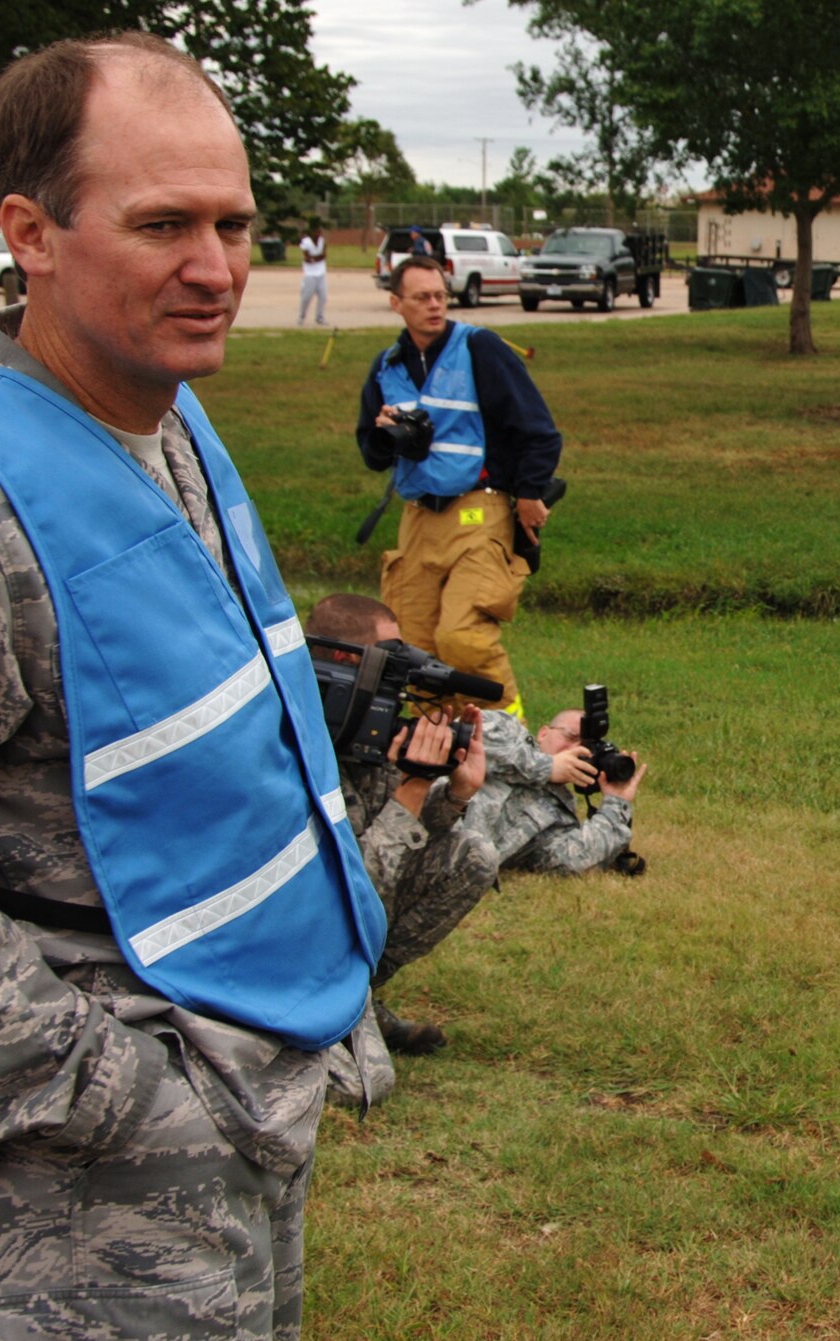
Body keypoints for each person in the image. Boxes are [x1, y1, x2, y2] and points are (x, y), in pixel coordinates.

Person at [0, 33, 387, 1337]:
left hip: (245, 1101)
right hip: (96, 1180)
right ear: (28, 234)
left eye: (235, 224)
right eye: (163, 222)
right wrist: (119, 1103)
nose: (215, 269)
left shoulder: (169, 423)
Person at [357, 254, 563, 721]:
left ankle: (510, 735)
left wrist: (529, 495)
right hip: (417, 519)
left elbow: (540, 430)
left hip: (478, 510)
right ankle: (438, 755)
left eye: (440, 296)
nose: (434, 305)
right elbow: (371, 455)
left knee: (462, 637)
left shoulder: (480, 348)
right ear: (396, 303)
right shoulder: (386, 367)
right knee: (413, 648)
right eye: (422, 297)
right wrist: (383, 430)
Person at [306, 592, 498, 1081]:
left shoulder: (364, 731)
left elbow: (402, 839)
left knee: (471, 855)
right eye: (389, 657)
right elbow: (354, 887)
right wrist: (413, 783)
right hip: (302, 942)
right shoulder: (301, 747)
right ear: (347, 660)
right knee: (365, 1086)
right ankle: (331, 1015)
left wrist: (455, 793)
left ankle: (359, 998)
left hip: (341, 932)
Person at [464, 705, 644, 875]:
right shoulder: (508, 730)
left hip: (451, 852)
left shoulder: (559, 815)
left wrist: (616, 802)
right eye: (571, 737)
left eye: (586, 747)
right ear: (543, 733)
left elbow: (573, 859)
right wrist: (545, 767)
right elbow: (463, 734)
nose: (577, 749)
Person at [297, 216, 328, 326]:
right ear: (313, 232)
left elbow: (323, 256)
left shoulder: (322, 241)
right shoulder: (306, 242)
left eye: (320, 232)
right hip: (310, 274)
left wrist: (314, 258)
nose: (319, 234)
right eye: (317, 232)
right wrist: (315, 258)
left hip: (321, 273)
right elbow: (307, 258)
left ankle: (319, 317)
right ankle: (301, 316)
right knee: (306, 297)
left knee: (323, 296)